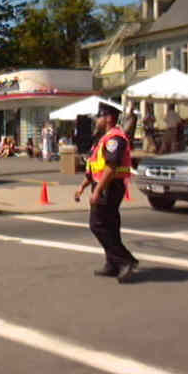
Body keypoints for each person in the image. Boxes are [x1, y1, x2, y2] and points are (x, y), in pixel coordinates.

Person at [74, 103, 137, 283]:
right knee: (109, 225)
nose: (97, 120)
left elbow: (111, 167)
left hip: (110, 186)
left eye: (100, 117)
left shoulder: (114, 139)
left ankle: (125, 260)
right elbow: (96, 168)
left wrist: (98, 191)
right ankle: (112, 264)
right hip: (104, 185)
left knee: (98, 225)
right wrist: (83, 186)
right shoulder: (104, 138)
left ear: (109, 118)